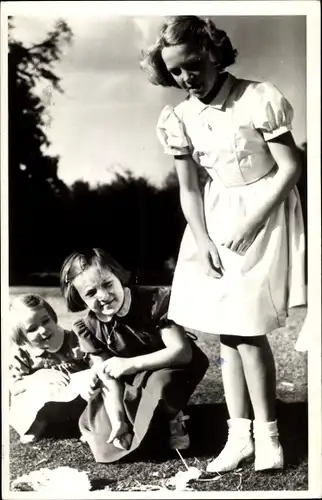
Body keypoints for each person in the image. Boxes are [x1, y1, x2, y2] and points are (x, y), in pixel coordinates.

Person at [140, 15, 307, 472]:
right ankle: (240, 436)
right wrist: (202, 238)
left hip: (265, 209)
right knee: (226, 332)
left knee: (245, 326)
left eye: (192, 65)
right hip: (213, 219)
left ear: (213, 52)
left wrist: (253, 221)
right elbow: (189, 188)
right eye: (175, 71)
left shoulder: (258, 97)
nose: (185, 78)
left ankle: (269, 436)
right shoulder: (179, 117)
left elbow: (292, 166)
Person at [60, 248, 209, 463]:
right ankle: (135, 421)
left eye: (108, 284)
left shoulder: (154, 300)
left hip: (171, 366)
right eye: (91, 293)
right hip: (131, 377)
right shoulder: (89, 326)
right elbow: (109, 377)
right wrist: (118, 419)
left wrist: (129, 364)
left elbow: (181, 352)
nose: (103, 296)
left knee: (161, 382)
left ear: (119, 277)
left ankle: (173, 416)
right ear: (80, 299)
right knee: (106, 442)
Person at [9, 293, 90, 443]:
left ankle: (88, 425)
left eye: (46, 321)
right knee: (24, 394)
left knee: (94, 380)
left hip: (77, 399)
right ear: (22, 336)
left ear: (52, 317)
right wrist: (36, 378)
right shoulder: (24, 354)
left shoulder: (74, 341)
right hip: (49, 403)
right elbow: (13, 387)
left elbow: (95, 365)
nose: (43, 330)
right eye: (32, 329)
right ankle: (37, 425)